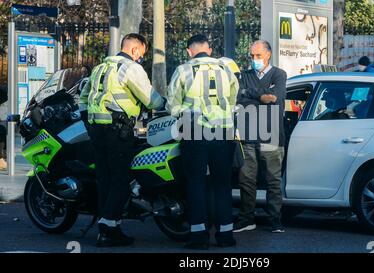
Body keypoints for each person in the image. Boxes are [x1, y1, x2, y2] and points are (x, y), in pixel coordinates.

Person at [79, 33, 165, 247]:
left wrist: (88, 122)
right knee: (122, 179)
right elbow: (150, 98)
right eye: (141, 55)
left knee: (105, 179)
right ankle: (107, 230)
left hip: (97, 130)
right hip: (118, 131)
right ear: (135, 50)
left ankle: (110, 225)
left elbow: (83, 98)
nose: (140, 59)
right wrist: (164, 104)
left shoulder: (101, 67)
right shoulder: (130, 68)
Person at [166, 34, 239, 250]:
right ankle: (226, 236)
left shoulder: (184, 70)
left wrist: (184, 113)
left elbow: (172, 105)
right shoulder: (226, 69)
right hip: (224, 132)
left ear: (190, 51)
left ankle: (199, 237)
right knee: (222, 185)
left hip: (194, 132)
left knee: (196, 183)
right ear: (208, 50)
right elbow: (234, 98)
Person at [233, 40, 287, 233]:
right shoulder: (244, 76)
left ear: (268, 55)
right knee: (246, 178)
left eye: (258, 55)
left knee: (273, 179)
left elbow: (275, 98)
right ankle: (246, 218)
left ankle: (275, 221)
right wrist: (259, 95)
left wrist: (250, 95)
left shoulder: (279, 74)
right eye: (252, 56)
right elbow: (237, 95)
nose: (254, 59)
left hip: (271, 134)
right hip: (248, 134)